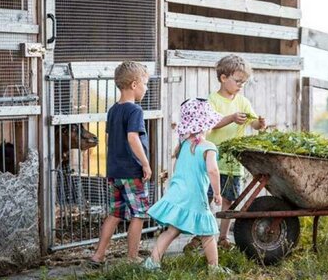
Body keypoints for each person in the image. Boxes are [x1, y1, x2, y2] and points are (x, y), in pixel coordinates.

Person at [184, 55, 266, 251]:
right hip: (212, 161)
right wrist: (230, 118)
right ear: (223, 78)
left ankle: (222, 237)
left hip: (232, 161)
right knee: (207, 200)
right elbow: (208, 126)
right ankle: (201, 235)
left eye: (243, 82)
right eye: (238, 81)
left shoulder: (243, 102)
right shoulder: (212, 101)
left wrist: (260, 124)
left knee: (229, 200)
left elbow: (253, 123)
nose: (241, 86)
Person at [143, 98, 229, 274]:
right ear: (205, 124)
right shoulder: (208, 147)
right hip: (195, 196)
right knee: (208, 233)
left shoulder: (182, 146)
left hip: (178, 193)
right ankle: (214, 268)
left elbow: (178, 170)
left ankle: (153, 262)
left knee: (172, 230)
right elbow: (213, 171)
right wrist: (218, 193)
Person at [89, 61, 152, 267]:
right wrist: (145, 164)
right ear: (134, 85)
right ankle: (132, 258)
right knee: (139, 214)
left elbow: (108, 140)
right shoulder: (135, 111)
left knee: (115, 213)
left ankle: (98, 256)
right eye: (145, 83)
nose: (146, 88)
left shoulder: (114, 110)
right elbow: (133, 138)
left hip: (114, 171)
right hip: (132, 171)